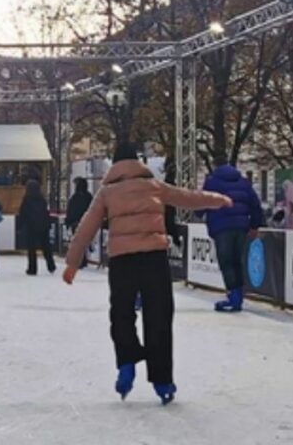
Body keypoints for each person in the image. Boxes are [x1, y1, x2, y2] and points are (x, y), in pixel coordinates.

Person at [63, 142, 231, 405]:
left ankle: (127, 362)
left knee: (121, 312)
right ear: (138, 162)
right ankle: (163, 380)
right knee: (159, 315)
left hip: (122, 260)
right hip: (154, 257)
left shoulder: (107, 192)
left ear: (115, 166)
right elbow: (187, 196)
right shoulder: (153, 185)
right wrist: (217, 200)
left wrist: (73, 262)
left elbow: (87, 224)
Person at [202, 158, 264, 313]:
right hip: (241, 227)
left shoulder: (212, 182)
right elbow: (255, 204)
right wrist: (255, 225)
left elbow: (203, 201)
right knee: (237, 261)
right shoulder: (244, 183)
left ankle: (233, 296)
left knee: (226, 262)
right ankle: (238, 296)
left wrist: (199, 212)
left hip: (221, 227)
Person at [18, 179, 55, 275]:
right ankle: (51, 265)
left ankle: (32, 269)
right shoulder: (42, 199)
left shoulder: (27, 199)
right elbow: (46, 212)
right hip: (43, 226)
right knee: (46, 246)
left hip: (31, 226)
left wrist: (20, 226)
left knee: (31, 249)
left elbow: (22, 213)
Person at [66, 177, 94, 268]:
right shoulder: (89, 197)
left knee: (77, 243)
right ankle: (83, 259)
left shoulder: (75, 197)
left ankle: (81, 260)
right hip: (87, 222)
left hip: (76, 222)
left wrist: (68, 222)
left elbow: (70, 210)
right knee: (83, 242)